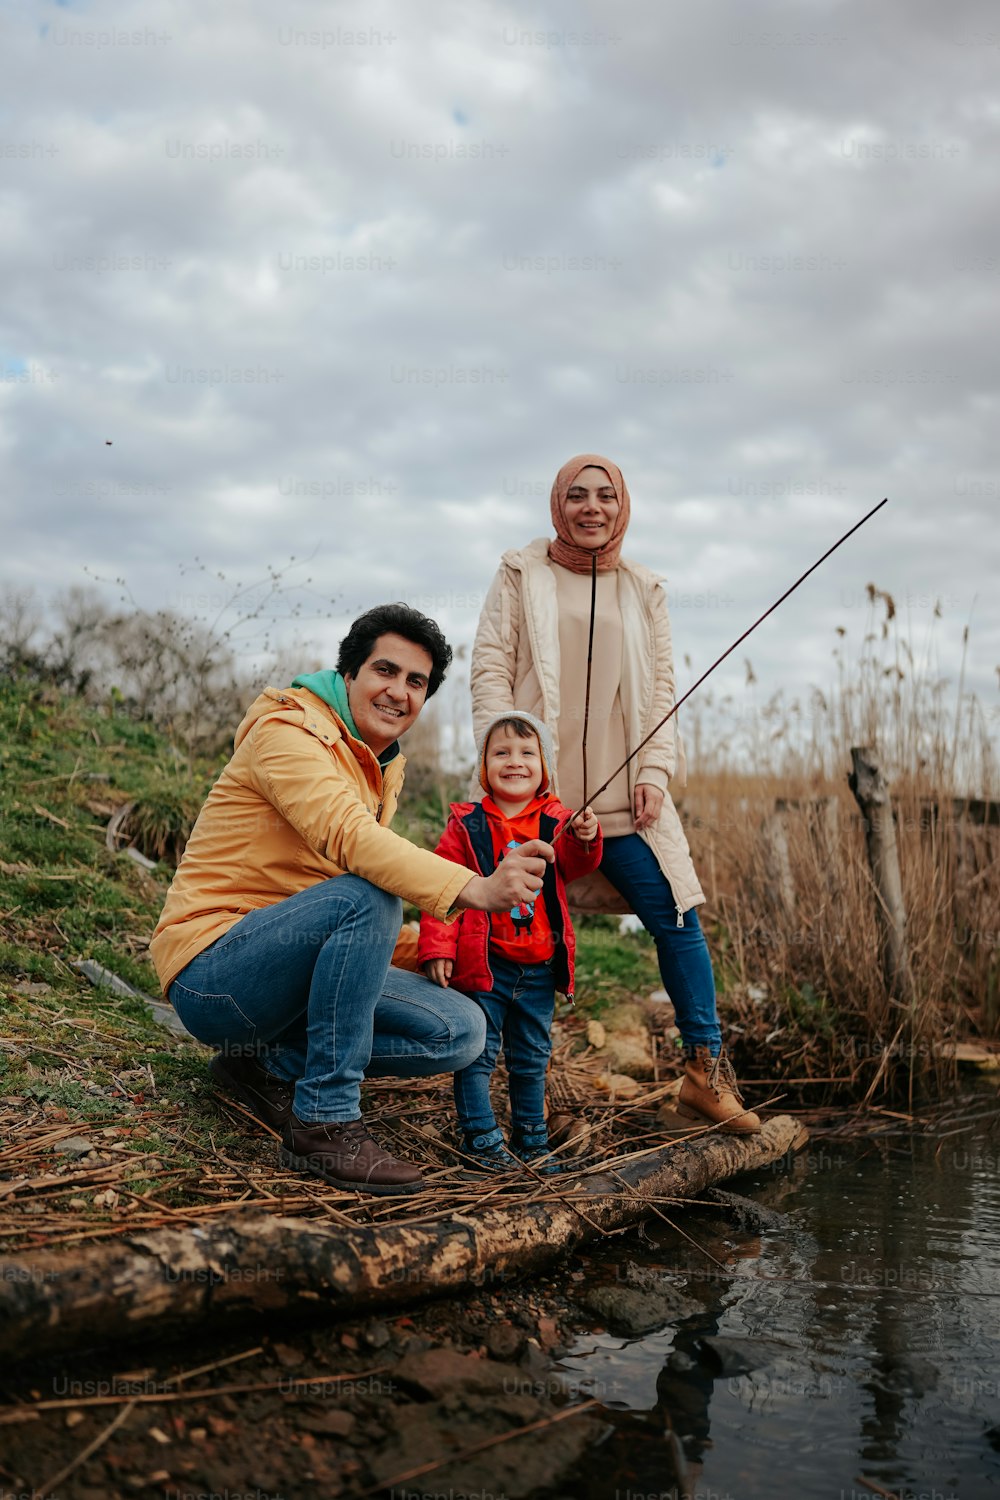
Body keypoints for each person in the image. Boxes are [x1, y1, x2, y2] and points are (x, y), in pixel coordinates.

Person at [149, 603, 555, 1195]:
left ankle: (263, 1067)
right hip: (215, 973)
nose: (398, 692)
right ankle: (325, 1118)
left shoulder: (376, 767)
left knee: (459, 1030)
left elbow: (334, 917)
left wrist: (440, 950)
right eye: (384, 671)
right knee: (372, 895)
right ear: (348, 674)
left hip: (292, 969)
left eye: (416, 682)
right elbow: (351, 842)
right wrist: (475, 889)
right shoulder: (286, 732)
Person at [471, 454, 761, 1134]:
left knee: (679, 917)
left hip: (625, 808)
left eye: (606, 495)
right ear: (557, 505)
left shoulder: (644, 588)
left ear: (622, 506)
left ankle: (702, 1075)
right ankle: (487, 1096)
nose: (591, 507)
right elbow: (490, 669)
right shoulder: (520, 572)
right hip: (535, 804)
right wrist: (513, 766)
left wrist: (654, 774)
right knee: (507, 937)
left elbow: (662, 691)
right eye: (577, 495)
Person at [418, 710, 602, 1173]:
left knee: (531, 1057)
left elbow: (577, 865)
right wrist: (438, 946)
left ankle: (531, 1139)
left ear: (544, 766)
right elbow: (440, 886)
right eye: (501, 752)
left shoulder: (556, 821)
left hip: (539, 966)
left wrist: (586, 836)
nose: (514, 761)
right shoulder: (468, 824)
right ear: (484, 766)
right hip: (486, 966)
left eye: (527, 753)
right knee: (479, 1052)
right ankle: (480, 1137)